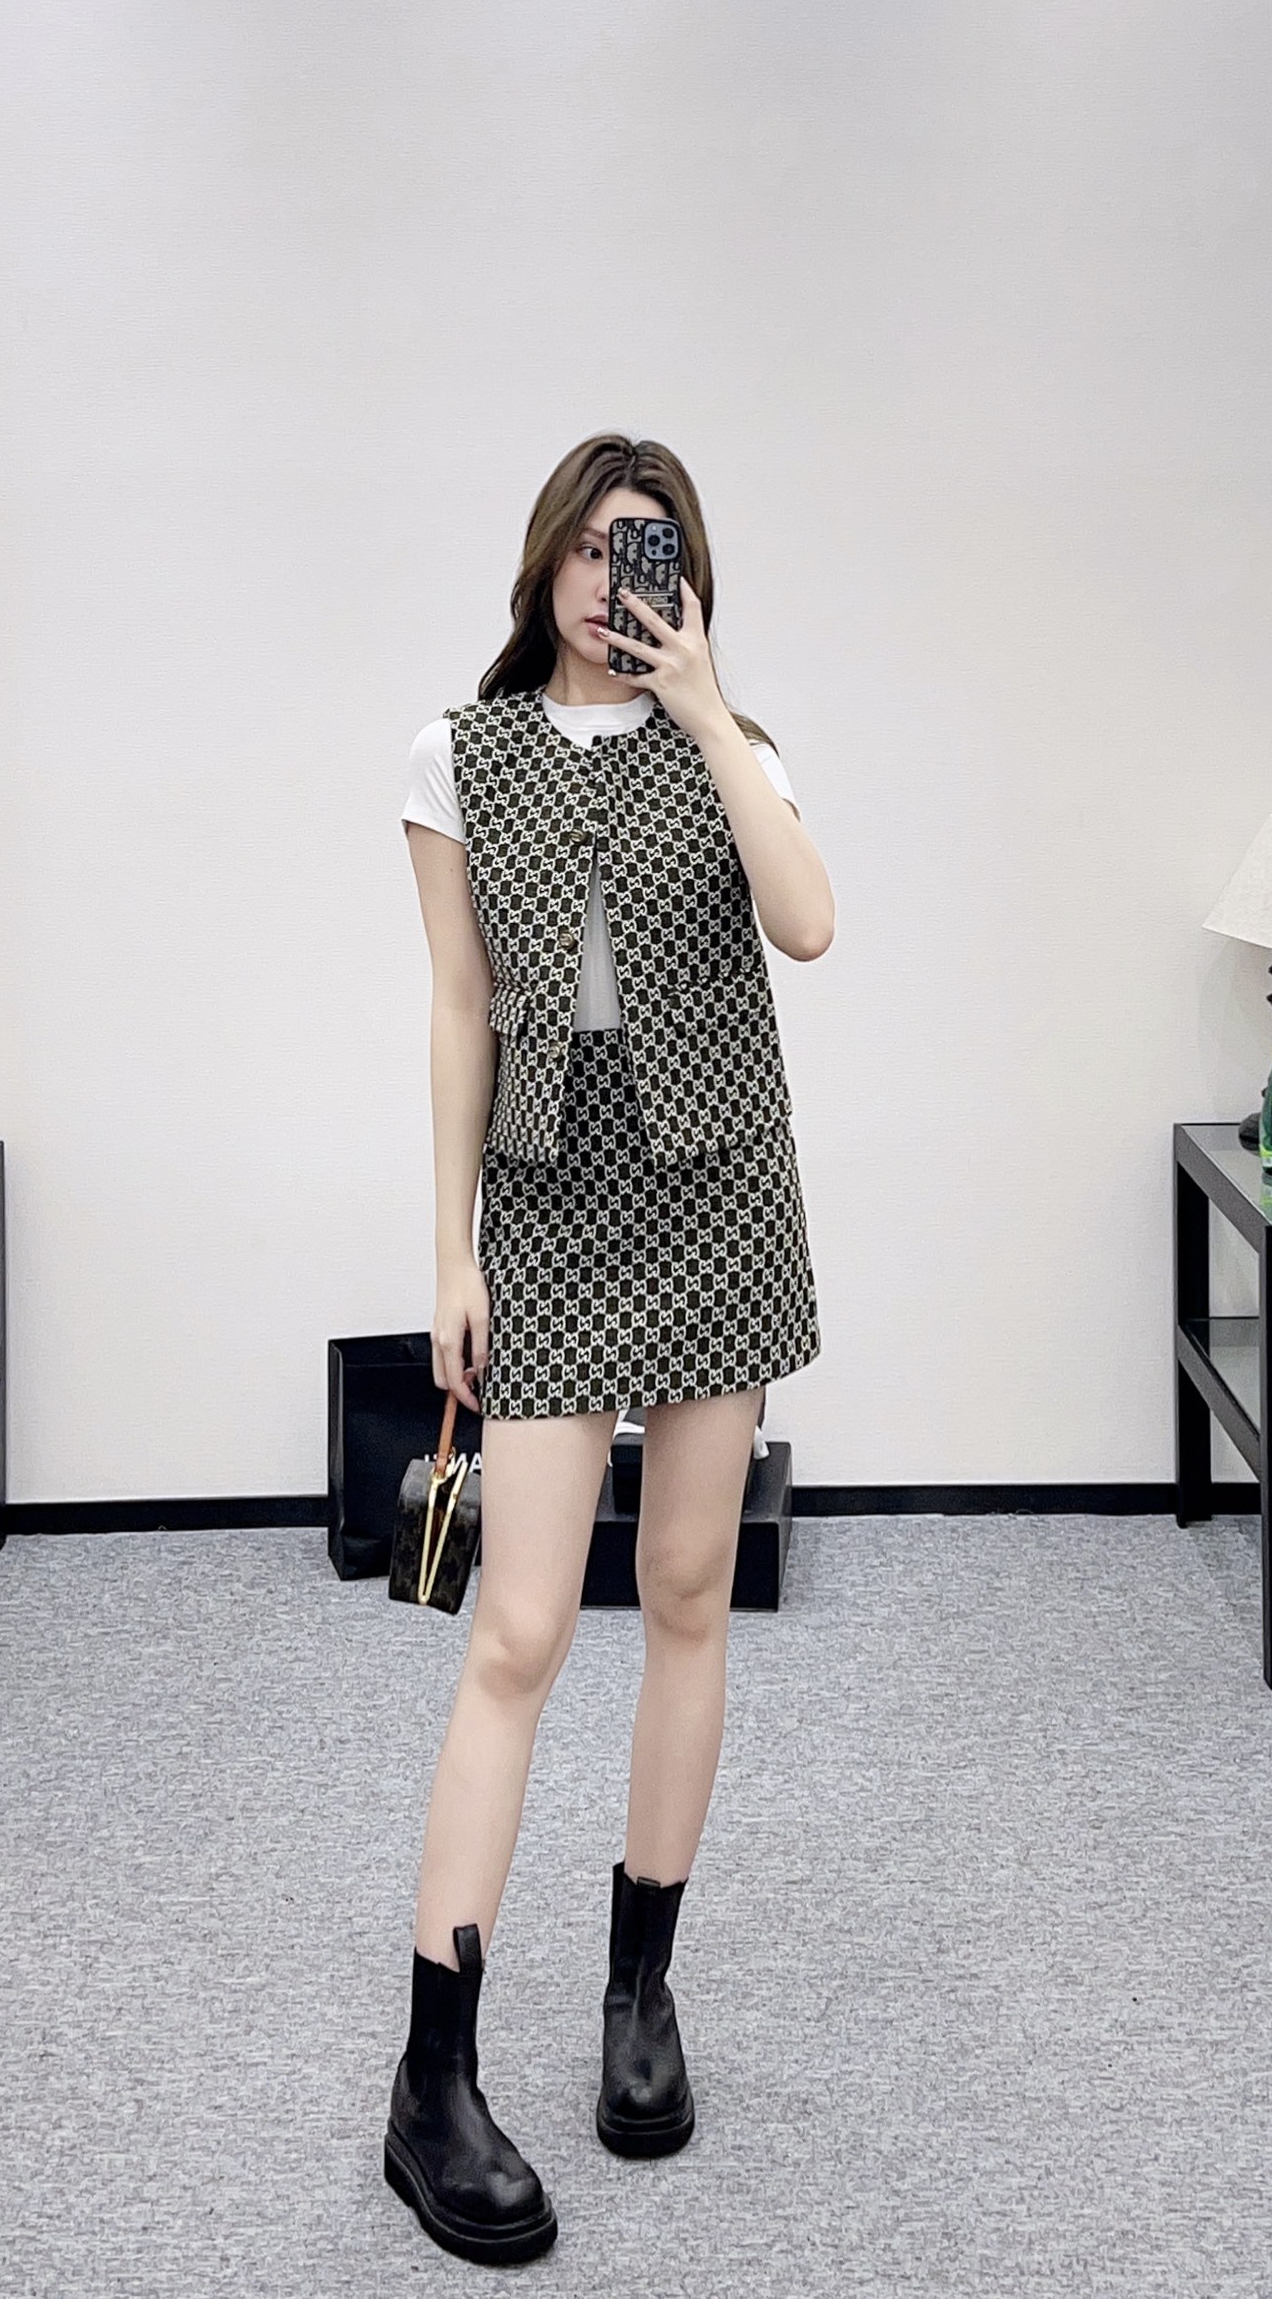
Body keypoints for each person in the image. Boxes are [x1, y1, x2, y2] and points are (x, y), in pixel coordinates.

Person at [387, 432, 832, 2265]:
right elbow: (460, 1007)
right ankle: (432, 2078)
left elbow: (809, 924)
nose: (606, 581)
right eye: (585, 547)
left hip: (718, 1201)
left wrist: (708, 705)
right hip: (554, 1214)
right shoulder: (458, 753)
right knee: (517, 1631)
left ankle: (641, 1991)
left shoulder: (736, 747)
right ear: (542, 564)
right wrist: (451, 1252)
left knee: (687, 1595)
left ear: (688, 579)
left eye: (642, 551)